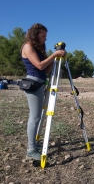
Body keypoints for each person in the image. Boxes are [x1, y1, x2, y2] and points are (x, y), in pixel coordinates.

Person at [21, 23, 66, 160]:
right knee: (35, 117)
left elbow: (46, 70)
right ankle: (31, 149)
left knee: (38, 116)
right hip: (33, 84)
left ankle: (34, 145)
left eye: (46, 36)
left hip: (40, 83)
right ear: (35, 34)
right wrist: (54, 55)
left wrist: (54, 59)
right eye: (43, 35)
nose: (45, 39)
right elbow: (39, 66)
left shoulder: (38, 48)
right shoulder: (28, 46)